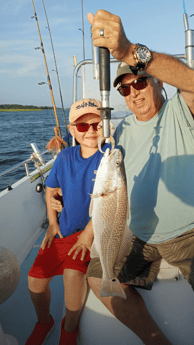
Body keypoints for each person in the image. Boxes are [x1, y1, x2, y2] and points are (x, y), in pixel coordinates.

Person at [52, 10, 194, 345]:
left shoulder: (182, 111)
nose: (134, 92)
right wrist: (61, 157)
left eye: (140, 81)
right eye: (124, 89)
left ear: (158, 81)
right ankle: (155, 340)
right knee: (98, 278)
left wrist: (126, 51)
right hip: (139, 233)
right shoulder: (120, 132)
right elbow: (96, 171)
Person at [26, 98, 107, 345]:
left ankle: (68, 329)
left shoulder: (110, 156)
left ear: (105, 125)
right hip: (64, 231)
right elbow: (51, 191)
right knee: (34, 280)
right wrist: (52, 224)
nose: (91, 131)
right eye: (83, 126)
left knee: (73, 275)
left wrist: (87, 234)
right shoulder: (64, 157)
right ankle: (44, 321)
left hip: (90, 234)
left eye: (97, 124)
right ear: (72, 130)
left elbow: (108, 202)